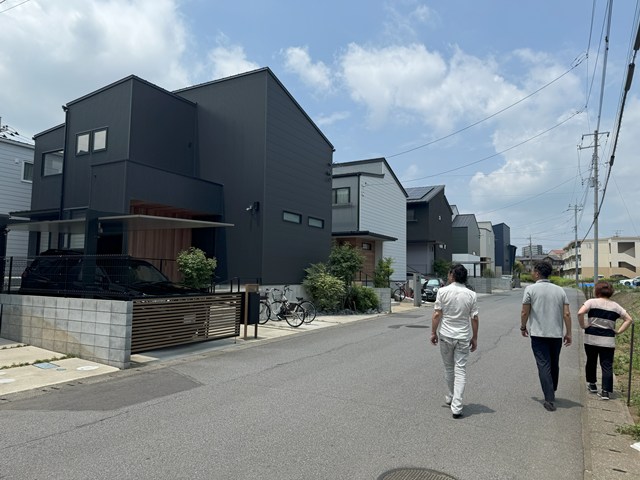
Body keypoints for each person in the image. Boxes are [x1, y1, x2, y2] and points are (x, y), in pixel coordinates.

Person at [520, 260, 572, 412]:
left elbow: (524, 311)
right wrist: (568, 332)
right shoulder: (560, 290)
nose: (532, 273)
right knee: (554, 363)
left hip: (538, 333)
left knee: (543, 364)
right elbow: (567, 314)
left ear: (537, 273)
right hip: (556, 334)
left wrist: (523, 326)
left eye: (533, 271)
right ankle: (552, 388)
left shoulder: (530, 289)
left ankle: (549, 398)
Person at [431, 264, 479, 419]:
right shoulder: (471, 294)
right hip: (463, 336)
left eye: (449, 274)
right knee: (460, 370)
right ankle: (456, 405)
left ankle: (452, 396)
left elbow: (437, 315)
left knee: (449, 368)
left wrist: (433, 332)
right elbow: (474, 318)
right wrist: (475, 337)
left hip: (446, 334)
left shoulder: (442, 291)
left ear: (452, 275)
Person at [578, 281, 633, 400]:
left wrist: (583, 325)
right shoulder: (616, 306)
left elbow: (580, 312)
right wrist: (618, 331)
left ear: (597, 291)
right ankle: (605, 391)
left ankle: (592, 385)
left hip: (591, 338)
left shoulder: (591, 302)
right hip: (608, 340)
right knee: (607, 365)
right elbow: (629, 319)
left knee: (591, 361)